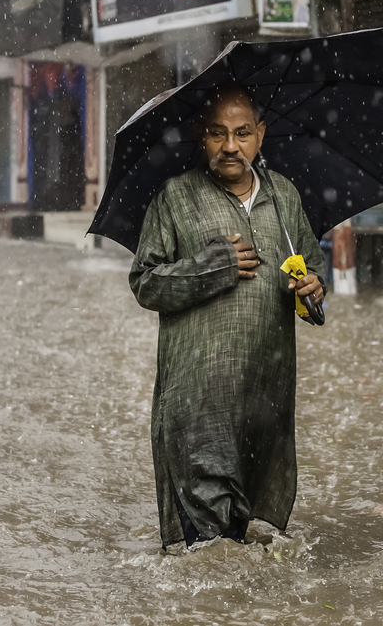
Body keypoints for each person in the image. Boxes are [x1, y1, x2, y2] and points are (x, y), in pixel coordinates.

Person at [128, 83, 326, 548]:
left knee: (251, 543)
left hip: (264, 403)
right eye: (218, 134)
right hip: (199, 402)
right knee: (206, 550)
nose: (231, 146)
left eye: (242, 133)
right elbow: (145, 282)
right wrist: (210, 267)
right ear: (203, 136)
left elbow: (313, 279)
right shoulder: (175, 197)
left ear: (260, 134)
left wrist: (313, 290)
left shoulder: (284, 197)